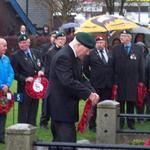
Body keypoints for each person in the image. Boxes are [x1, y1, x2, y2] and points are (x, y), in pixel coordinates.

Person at [46, 32, 99, 145]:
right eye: (88, 49)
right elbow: (68, 82)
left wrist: (92, 91)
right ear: (79, 45)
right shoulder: (64, 56)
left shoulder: (75, 56)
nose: (88, 53)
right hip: (60, 108)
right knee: (66, 143)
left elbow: (81, 78)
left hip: (66, 108)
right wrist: (88, 94)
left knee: (60, 143)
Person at [112, 30, 144, 129]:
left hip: (132, 82)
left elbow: (141, 66)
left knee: (131, 103)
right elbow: (112, 66)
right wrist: (114, 81)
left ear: (129, 38)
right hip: (120, 82)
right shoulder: (116, 49)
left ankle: (131, 124)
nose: (121, 37)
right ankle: (120, 124)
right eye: (121, 35)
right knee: (120, 103)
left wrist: (141, 81)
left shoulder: (137, 49)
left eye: (124, 36)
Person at [11, 34, 44, 126]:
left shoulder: (36, 52)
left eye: (24, 42)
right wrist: (25, 79)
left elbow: (42, 64)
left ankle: (32, 132)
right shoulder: (15, 56)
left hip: (36, 88)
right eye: (20, 43)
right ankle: (22, 132)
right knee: (23, 111)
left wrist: (41, 71)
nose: (22, 44)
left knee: (34, 110)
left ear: (29, 43)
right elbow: (14, 74)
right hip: (23, 88)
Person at [83, 35, 113, 132]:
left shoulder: (109, 53)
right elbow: (85, 68)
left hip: (107, 84)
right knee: (95, 105)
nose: (100, 44)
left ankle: (105, 123)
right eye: (98, 43)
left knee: (106, 104)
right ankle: (92, 125)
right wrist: (91, 77)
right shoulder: (90, 54)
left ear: (105, 43)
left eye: (101, 42)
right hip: (96, 84)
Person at [40, 31, 66, 129]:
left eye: (63, 40)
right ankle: (44, 121)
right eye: (59, 39)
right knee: (48, 101)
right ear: (55, 40)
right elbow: (47, 69)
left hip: (64, 82)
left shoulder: (66, 51)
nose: (61, 41)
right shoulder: (50, 53)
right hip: (53, 81)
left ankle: (59, 120)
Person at [0, 38, 14, 143]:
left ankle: (1, 137)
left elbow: (11, 73)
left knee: (3, 112)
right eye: (4, 45)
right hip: (1, 89)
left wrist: (7, 85)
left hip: (4, 93)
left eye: (6, 45)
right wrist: (1, 86)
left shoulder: (6, 59)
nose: (6, 48)